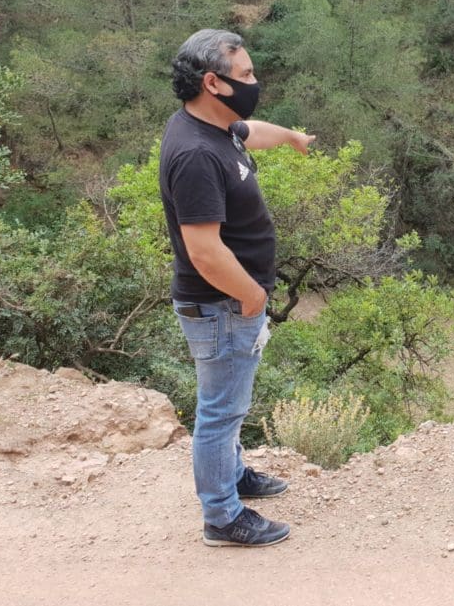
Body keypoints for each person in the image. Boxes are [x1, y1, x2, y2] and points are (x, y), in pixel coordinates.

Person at [160, 29, 315, 547]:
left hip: (231, 302)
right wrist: (251, 298)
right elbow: (203, 250)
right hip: (222, 304)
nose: (254, 82)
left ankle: (233, 474)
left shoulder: (214, 127)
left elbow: (251, 131)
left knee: (231, 402)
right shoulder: (196, 155)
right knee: (220, 409)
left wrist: (292, 137)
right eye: (245, 75)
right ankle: (222, 516)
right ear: (213, 82)